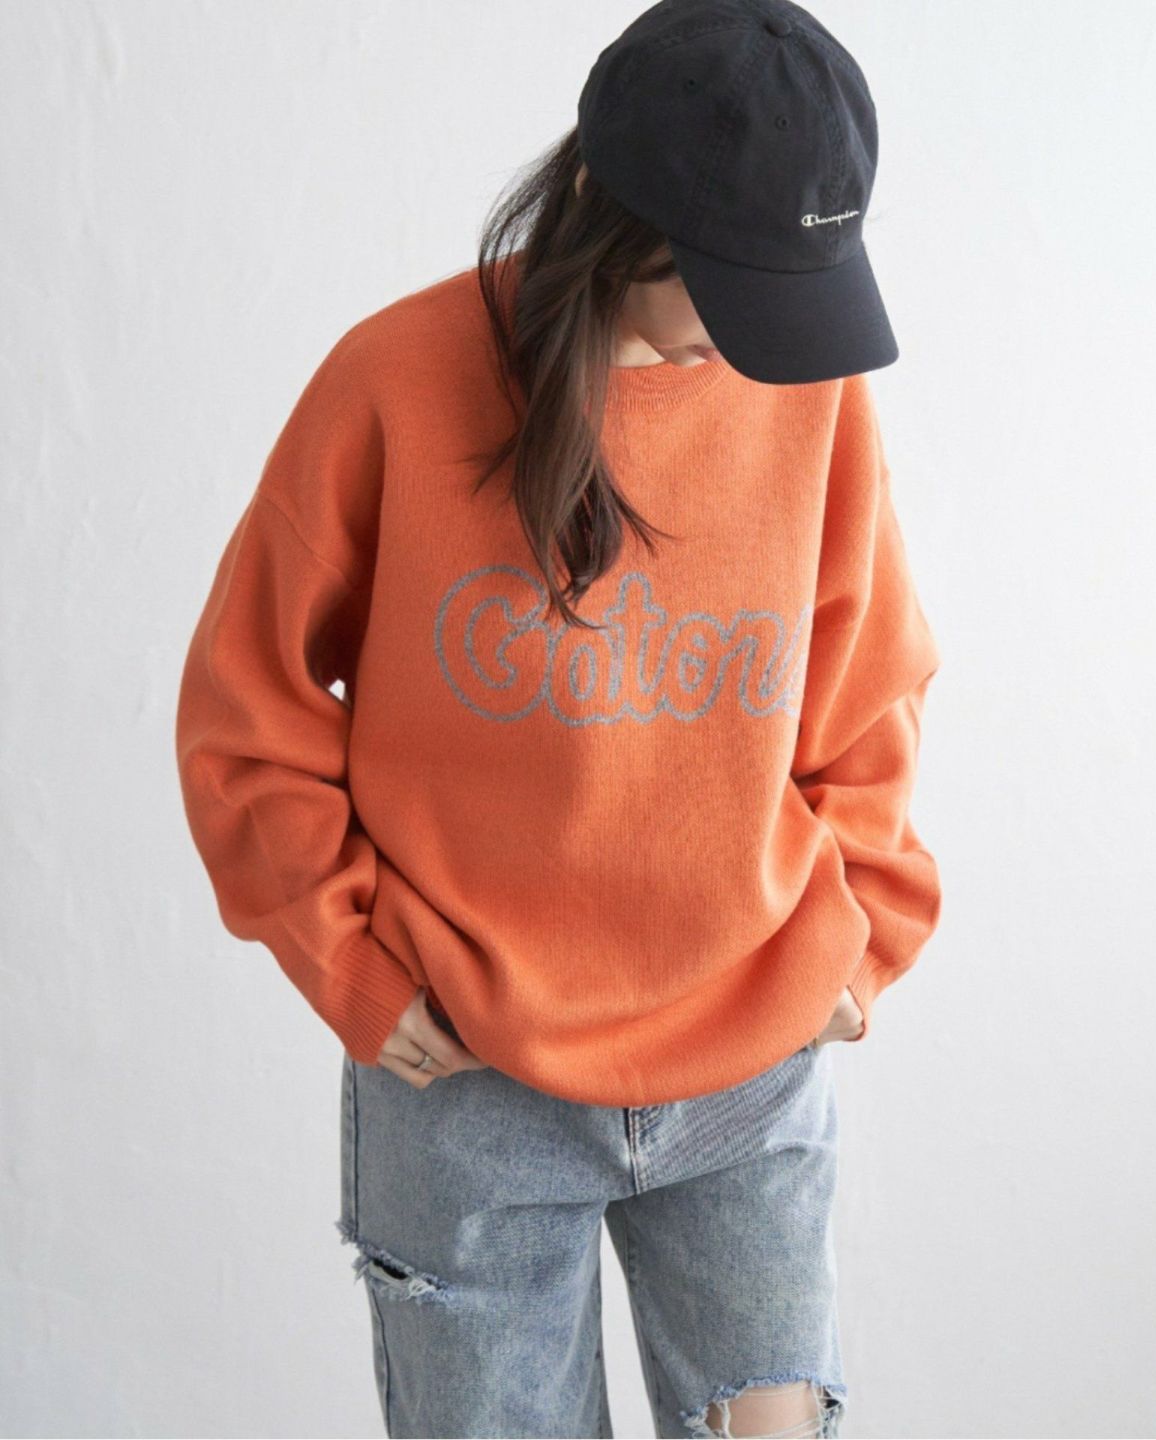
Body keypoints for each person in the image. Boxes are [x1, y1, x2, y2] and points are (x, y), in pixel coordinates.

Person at [175, 2, 941, 1435]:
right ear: (607, 208)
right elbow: (247, 706)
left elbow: (869, 681)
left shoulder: (808, 388)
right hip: (474, 1078)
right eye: (724, 282)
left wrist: (868, 925)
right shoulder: (396, 383)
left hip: (748, 1056)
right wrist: (346, 956)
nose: (753, 335)